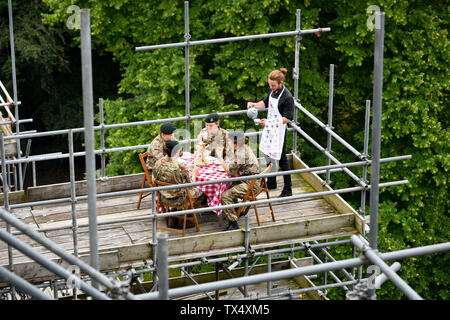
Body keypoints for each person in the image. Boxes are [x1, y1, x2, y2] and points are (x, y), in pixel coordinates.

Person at [247, 68, 294, 197]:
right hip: (269, 128)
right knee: (267, 153)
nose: (271, 87)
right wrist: (254, 105)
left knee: (282, 157)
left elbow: (287, 118)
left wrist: (269, 122)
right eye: (270, 85)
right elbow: (265, 102)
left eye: (273, 85)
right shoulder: (272, 91)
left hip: (279, 130)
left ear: (281, 83)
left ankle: (288, 188)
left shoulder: (287, 97)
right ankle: (272, 181)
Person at [220, 130, 261, 231]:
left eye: (229, 141)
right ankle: (237, 209)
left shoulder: (240, 153)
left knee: (225, 195)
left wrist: (220, 159)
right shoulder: (243, 148)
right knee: (230, 184)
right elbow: (235, 170)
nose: (228, 143)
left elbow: (230, 170)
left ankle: (233, 223)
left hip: (251, 184)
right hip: (250, 179)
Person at [153, 139, 206, 208]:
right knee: (203, 192)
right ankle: (189, 213)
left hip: (163, 196)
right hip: (180, 199)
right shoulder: (180, 167)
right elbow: (191, 184)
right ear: (177, 151)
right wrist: (194, 173)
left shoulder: (158, 163)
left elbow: (154, 179)